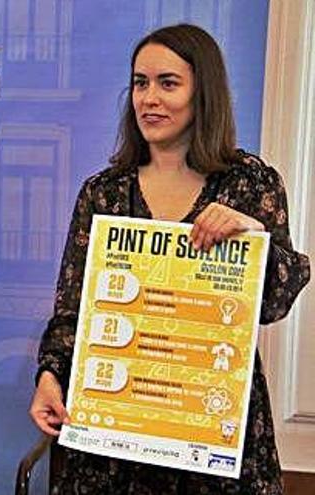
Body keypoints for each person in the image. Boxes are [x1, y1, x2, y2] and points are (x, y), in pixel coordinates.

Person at [29, 24, 310, 494]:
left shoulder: (248, 182)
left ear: (204, 92)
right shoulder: (104, 192)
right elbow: (72, 310)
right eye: (140, 83)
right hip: (113, 442)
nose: (149, 98)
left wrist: (253, 235)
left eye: (168, 83)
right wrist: (49, 376)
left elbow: (276, 301)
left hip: (209, 433)